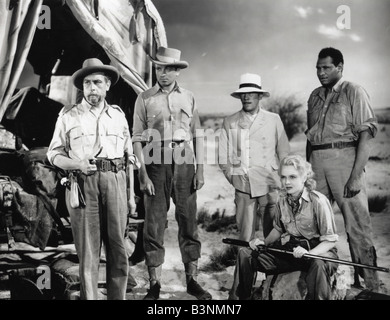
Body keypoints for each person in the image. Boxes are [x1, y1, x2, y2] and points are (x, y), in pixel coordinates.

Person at [47, 58, 138, 300]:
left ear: (107, 85)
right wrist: (75, 163)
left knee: (118, 248)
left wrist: (130, 197)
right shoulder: (68, 116)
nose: (92, 88)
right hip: (83, 184)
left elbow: (129, 157)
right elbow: (53, 154)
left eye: (97, 82)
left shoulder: (118, 116)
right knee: (88, 251)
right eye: (87, 83)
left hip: (116, 182)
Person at [132, 47, 212, 300]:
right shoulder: (144, 98)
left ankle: (192, 280)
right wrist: (142, 173)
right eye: (158, 68)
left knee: (188, 219)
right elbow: (136, 139)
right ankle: (154, 282)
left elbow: (198, 135)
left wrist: (200, 170)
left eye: (168, 69)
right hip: (156, 160)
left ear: (177, 71)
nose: (162, 74)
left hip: (185, 159)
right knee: (154, 222)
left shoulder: (188, 97)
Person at [306, 47, 380, 291]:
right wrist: (308, 172)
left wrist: (356, 176)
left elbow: (366, 136)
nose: (321, 72)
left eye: (326, 67)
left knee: (357, 226)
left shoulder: (353, 91)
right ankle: (323, 282)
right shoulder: (314, 96)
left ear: (340, 67)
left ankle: (370, 285)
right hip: (317, 163)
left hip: (345, 160)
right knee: (314, 223)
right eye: (318, 68)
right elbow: (310, 139)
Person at [231, 154, 339, 300]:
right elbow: (278, 229)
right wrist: (264, 243)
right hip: (293, 252)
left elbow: (330, 240)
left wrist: (310, 252)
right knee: (245, 254)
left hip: (320, 253)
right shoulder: (282, 200)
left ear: (304, 177)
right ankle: (238, 299)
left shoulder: (318, 201)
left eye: (292, 177)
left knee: (318, 264)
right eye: (283, 177)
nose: (286, 182)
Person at [218, 73, 290, 241]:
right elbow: (223, 156)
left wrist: (279, 178)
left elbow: (284, 151)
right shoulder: (231, 121)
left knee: (273, 234)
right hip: (243, 185)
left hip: (269, 183)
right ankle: (246, 267)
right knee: (245, 237)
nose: (247, 97)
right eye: (243, 94)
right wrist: (233, 176)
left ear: (259, 96)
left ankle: (270, 266)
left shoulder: (273, 119)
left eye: (251, 93)